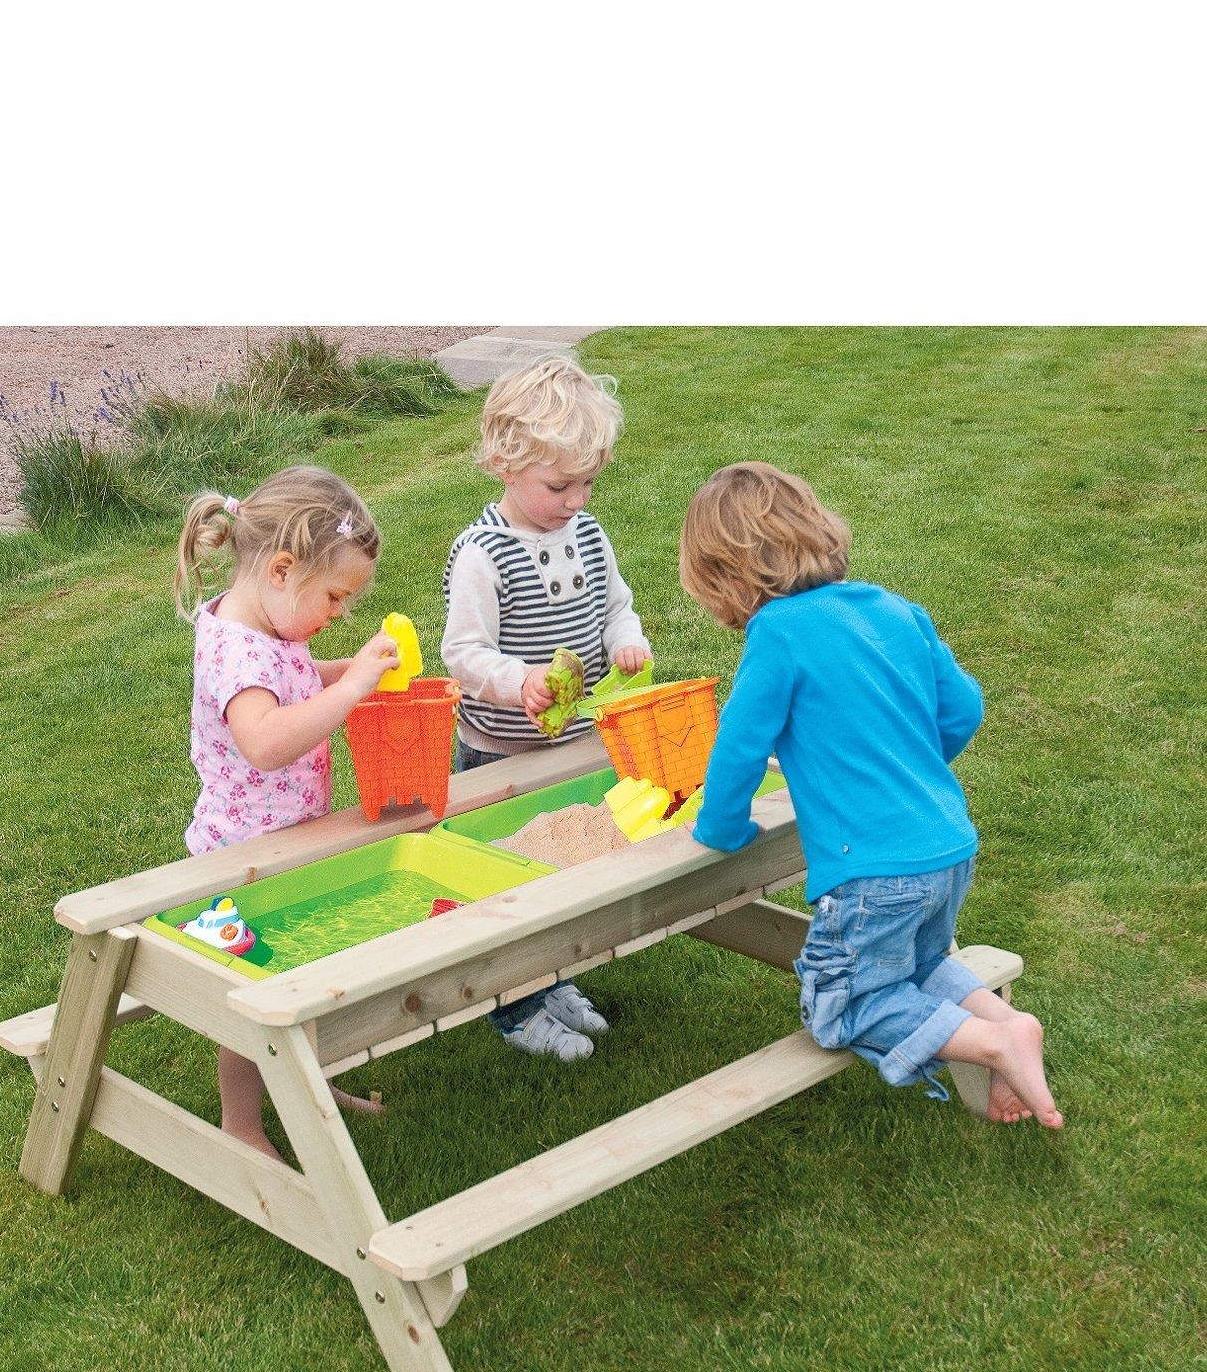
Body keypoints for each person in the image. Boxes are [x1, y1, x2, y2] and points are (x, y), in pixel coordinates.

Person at [680, 462, 1062, 1127]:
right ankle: (1002, 1018)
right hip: (947, 846)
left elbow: (739, 748)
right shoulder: (892, 608)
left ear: (728, 578)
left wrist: (722, 829)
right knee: (912, 971)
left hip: (873, 875)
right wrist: (906, 770)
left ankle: (994, 1040)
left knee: (839, 1006)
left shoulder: (778, 633)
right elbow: (963, 708)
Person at [174, 464, 399, 1154]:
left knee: (297, 968)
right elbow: (266, 741)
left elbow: (297, 680)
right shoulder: (236, 652)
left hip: (284, 845)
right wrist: (354, 685)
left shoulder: (273, 636)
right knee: (251, 999)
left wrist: (347, 669)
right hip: (240, 861)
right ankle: (241, 1124)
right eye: (334, 597)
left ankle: (301, 1078)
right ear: (281, 570)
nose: (337, 615)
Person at [441, 355, 652, 1061]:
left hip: (573, 744)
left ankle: (551, 977)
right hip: (499, 751)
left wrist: (627, 643)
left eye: (588, 482)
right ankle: (514, 1005)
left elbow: (617, 608)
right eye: (559, 485)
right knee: (507, 884)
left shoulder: (588, 537)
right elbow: (463, 655)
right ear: (504, 462)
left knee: (566, 870)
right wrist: (517, 681)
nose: (577, 501)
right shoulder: (483, 556)